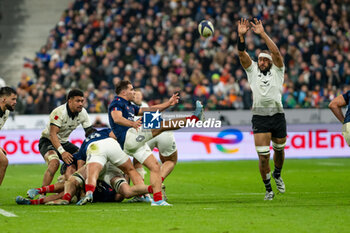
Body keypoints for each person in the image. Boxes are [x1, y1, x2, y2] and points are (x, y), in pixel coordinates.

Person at [108, 80, 203, 206]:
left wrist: (169, 103)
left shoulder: (130, 105)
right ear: (124, 92)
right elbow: (117, 118)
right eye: (131, 89)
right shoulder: (117, 102)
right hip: (129, 137)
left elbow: (151, 109)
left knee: (155, 167)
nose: (134, 92)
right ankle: (194, 119)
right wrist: (132, 123)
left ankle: (158, 200)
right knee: (161, 125)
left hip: (132, 144)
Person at [237, 18, 287, 200]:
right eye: (258, 60)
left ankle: (278, 174)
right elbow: (242, 55)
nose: (260, 62)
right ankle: (268, 190)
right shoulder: (252, 71)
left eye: (264, 60)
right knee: (264, 157)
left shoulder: (277, 70)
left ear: (270, 62)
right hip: (260, 116)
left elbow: (277, 54)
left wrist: (262, 34)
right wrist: (241, 36)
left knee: (279, 150)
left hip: (277, 115)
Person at [38, 89, 94, 188]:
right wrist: (62, 152)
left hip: (63, 142)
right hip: (47, 141)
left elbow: (89, 132)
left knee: (81, 158)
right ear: (70, 101)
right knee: (54, 163)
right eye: (78, 101)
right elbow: (53, 134)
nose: (81, 104)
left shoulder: (83, 112)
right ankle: (42, 193)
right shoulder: (59, 112)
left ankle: (66, 179)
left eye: (82, 101)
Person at [133, 89, 178, 202]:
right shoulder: (145, 106)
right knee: (170, 160)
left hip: (145, 134)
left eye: (139, 95)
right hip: (161, 130)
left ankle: (142, 195)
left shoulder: (127, 107)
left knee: (137, 162)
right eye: (135, 95)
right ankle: (159, 181)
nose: (137, 97)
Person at [0, 87, 17, 185]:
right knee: (3, 161)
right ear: (4, 99)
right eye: (13, 99)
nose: (15, 102)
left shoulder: (6, 112)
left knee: (3, 161)